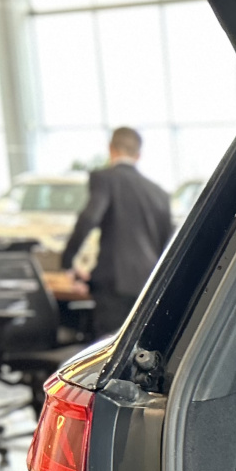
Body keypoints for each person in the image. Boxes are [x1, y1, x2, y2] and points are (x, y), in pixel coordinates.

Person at [60, 127, 174, 338]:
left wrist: (67, 261)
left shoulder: (105, 179)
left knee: (110, 346)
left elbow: (89, 218)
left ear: (111, 149)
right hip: (149, 285)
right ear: (138, 155)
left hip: (113, 284)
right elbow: (167, 244)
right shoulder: (159, 193)